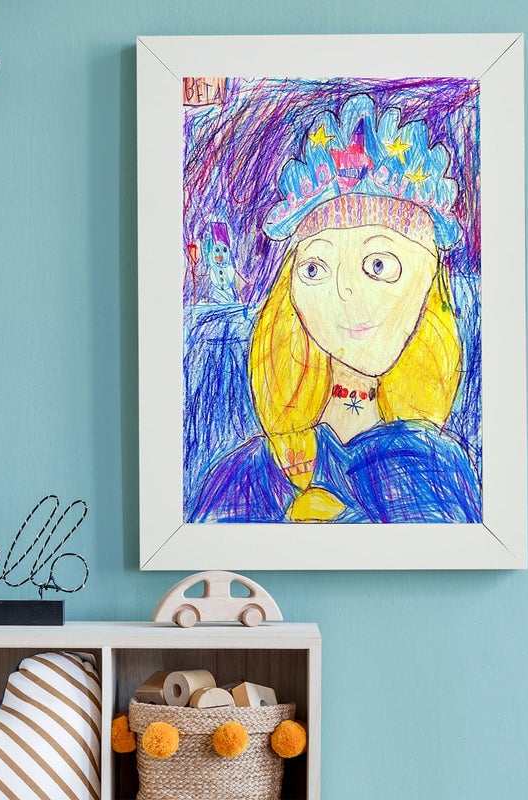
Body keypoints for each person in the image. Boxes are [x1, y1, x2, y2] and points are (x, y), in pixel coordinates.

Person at [190, 94, 481, 523]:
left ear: (428, 280)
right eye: (314, 268)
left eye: (379, 265)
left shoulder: (439, 471)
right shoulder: (248, 476)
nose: (344, 292)